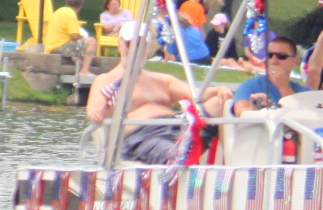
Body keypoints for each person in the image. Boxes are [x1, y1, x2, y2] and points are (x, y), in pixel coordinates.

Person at [85, 62, 221, 162]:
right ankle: (184, 163)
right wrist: (96, 112)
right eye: (129, 43)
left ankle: (215, 169)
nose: (135, 47)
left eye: (141, 43)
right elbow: (94, 109)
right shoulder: (107, 80)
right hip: (142, 136)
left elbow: (196, 95)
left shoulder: (162, 80)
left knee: (218, 102)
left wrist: (217, 90)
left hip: (175, 129)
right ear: (120, 45)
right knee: (176, 154)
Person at [231, 33, 307, 115]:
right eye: (270, 55)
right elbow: (239, 111)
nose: (274, 61)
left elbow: (304, 116)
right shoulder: (251, 85)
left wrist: (284, 88)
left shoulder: (303, 92)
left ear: (294, 61)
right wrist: (256, 108)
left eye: (281, 56)